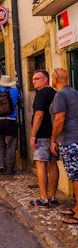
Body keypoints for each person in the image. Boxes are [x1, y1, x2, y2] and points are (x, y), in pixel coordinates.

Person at [50, 68, 78, 224]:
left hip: (70, 140)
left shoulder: (60, 95)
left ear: (55, 79)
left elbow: (59, 119)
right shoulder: (74, 92)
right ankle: (76, 207)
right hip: (76, 138)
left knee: (76, 176)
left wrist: (53, 140)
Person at [29, 69, 59, 207]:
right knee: (53, 165)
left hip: (42, 135)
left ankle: (43, 198)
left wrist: (33, 134)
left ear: (45, 80)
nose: (33, 81)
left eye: (36, 79)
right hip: (54, 135)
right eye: (33, 79)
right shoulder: (54, 93)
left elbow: (39, 115)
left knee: (41, 163)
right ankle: (52, 196)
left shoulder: (41, 93)